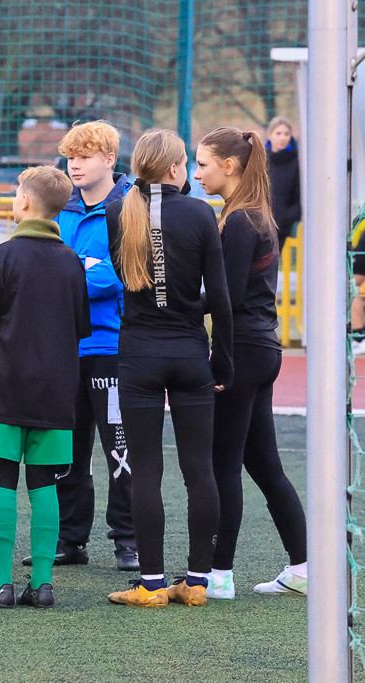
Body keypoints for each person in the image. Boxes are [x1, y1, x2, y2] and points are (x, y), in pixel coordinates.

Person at [105, 128, 233, 608]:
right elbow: (219, 298)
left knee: (147, 471)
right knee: (199, 469)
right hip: (189, 354)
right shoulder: (201, 213)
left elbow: (128, 280)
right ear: (177, 168)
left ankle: (152, 584)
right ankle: (197, 582)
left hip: (138, 354)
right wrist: (224, 358)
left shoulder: (119, 210)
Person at [0, 166, 90, 609]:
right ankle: (41, 585)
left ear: (24, 203)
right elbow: (78, 330)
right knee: (45, 485)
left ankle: (0, 584)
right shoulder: (71, 261)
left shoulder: (2, 256)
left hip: (4, 385)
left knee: (1, 478)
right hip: (56, 391)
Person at [194, 127, 308, 598]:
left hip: (243, 351)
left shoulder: (242, 220)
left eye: (202, 163)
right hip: (261, 350)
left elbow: (228, 297)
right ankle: (304, 567)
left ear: (230, 166)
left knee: (224, 463)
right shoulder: (249, 215)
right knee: (263, 464)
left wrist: (165, 301)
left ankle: (219, 575)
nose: (197, 172)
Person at [25, 120, 139, 572]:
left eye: (86, 155)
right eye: (71, 155)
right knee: (66, 452)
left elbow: (119, 273)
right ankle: (71, 540)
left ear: (109, 160)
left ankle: (127, 541)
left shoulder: (130, 207)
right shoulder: (61, 209)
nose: (75, 164)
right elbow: (51, 267)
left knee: (120, 452)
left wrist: (70, 276)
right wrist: (77, 274)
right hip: (64, 351)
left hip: (111, 348)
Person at [264, 116, 301, 252]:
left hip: (280, 228)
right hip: (258, 225)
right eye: (278, 133)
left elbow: (300, 199)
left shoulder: (296, 163)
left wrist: (284, 218)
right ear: (270, 135)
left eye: (286, 134)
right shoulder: (260, 161)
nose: (282, 138)